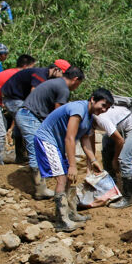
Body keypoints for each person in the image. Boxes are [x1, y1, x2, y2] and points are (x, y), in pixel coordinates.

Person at [34, 89, 114, 231]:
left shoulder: (89, 116)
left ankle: (71, 213)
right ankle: (62, 220)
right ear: (93, 99)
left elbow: (84, 139)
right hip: (46, 140)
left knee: (70, 179)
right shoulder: (78, 110)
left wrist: (93, 160)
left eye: (107, 108)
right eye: (102, 105)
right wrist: (72, 165)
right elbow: (70, 138)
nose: (103, 110)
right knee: (62, 179)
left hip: (58, 145)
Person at [18, 67, 85, 199]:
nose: (77, 87)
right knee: (35, 151)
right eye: (79, 84)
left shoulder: (57, 83)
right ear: (75, 80)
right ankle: (40, 189)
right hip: (30, 116)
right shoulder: (63, 89)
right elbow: (58, 115)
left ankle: (43, 183)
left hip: (28, 114)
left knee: (38, 148)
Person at [1, 59, 69, 165]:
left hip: (18, 98)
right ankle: (34, 160)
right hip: (13, 99)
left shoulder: (46, 77)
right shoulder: (40, 75)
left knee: (21, 126)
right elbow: (34, 96)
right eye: (63, 75)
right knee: (30, 126)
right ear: (56, 69)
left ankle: (21, 156)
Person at [0, 54, 34, 164]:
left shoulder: (14, 73)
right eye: (31, 67)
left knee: (19, 124)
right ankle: (0, 162)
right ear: (25, 66)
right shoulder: (17, 75)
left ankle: (20, 156)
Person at [95, 99, 132, 209]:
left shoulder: (100, 118)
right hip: (121, 127)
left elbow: (120, 141)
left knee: (124, 159)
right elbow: (89, 137)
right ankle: (111, 186)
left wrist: (115, 160)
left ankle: (128, 197)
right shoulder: (89, 118)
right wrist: (91, 160)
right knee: (106, 146)